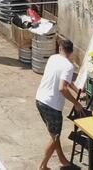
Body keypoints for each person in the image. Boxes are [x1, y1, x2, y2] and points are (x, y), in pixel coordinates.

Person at [35, 39, 84, 170]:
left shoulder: (53, 58)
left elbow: (65, 80)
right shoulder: (68, 66)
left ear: (60, 48)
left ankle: (64, 161)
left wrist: (78, 90)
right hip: (52, 105)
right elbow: (62, 88)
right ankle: (42, 166)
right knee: (55, 137)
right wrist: (77, 103)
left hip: (40, 99)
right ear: (72, 52)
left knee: (54, 134)